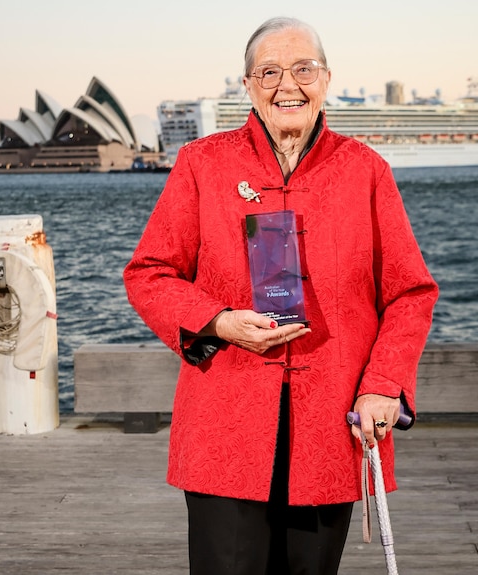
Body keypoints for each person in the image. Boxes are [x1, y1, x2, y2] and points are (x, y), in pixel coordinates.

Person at [123, 16, 438, 575]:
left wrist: (384, 387)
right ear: (246, 85)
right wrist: (218, 321)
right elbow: (148, 273)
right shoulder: (202, 163)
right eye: (268, 72)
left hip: (332, 424)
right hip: (227, 423)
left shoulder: (366, 170)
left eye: (302, 69)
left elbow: (411, 293)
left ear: (326, 79)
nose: (286, 85)